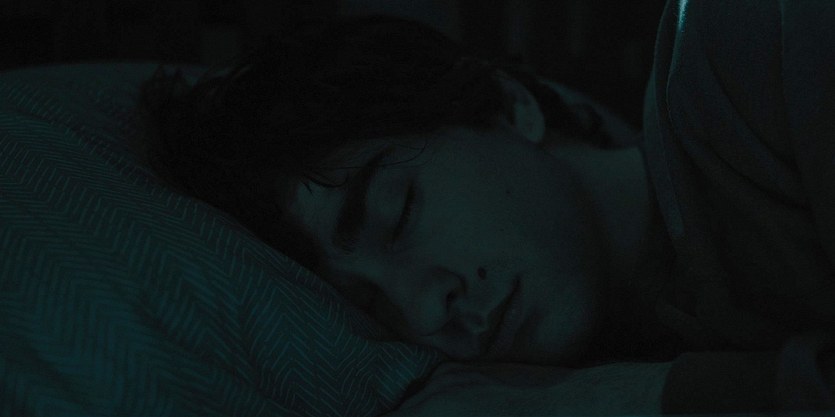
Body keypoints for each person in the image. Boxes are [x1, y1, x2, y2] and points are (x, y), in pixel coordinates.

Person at [138, 0, 835, 414]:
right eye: (375, 307)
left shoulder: (755, 44)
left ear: (509, 105)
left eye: (398, 212)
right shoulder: (628, 350)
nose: (425, 310)